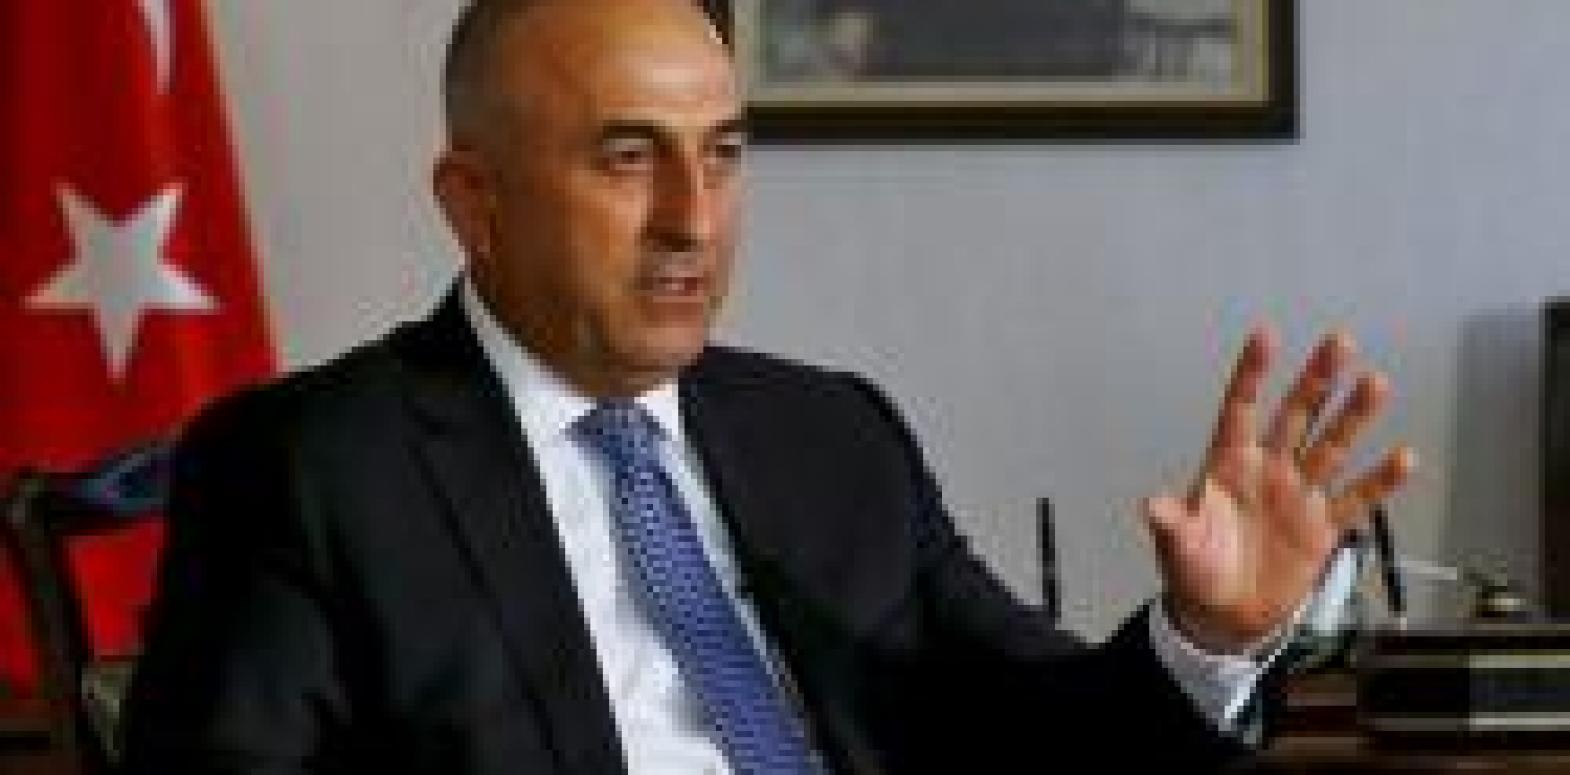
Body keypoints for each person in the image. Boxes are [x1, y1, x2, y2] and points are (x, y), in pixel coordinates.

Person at [120, 0, 1414, 772]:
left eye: (724, 154)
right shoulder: (310, 467)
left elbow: (1038, 734)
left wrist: (1208, 635)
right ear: (475, 201)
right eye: (628, 159)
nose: (695, 219)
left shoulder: (829, 435)